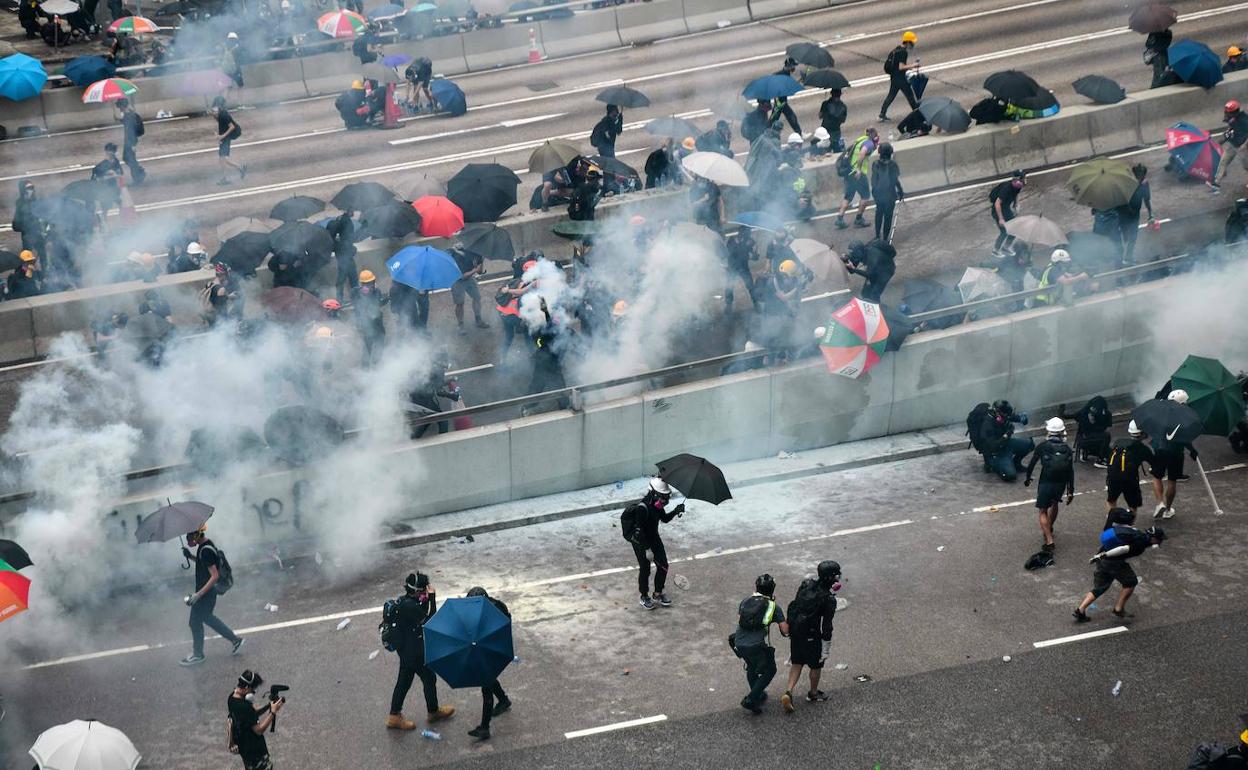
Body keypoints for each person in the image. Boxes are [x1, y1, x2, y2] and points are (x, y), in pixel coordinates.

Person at [387, 572, 456, 729]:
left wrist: (425, 600)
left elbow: (421, 612)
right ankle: (432, 712)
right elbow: (430, 619)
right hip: (413, 653)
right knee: (427, 678)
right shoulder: (410, 606)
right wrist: (432, 598)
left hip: (407, 649)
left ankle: (395, 715)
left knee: (406, 682)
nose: (425, 592)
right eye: (424, 590)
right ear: (417, 591)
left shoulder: (407, 601)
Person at [179, 525, 244, 666]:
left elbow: (214, 576)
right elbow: (204, 563)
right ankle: (235, 640)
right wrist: (190, 556)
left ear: (197, 534)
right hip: (206, 593)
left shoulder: (205, 550)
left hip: (205, 594)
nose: (187, 538)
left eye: (190, 535)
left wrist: (198, 595)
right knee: (205, 619)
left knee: (197, 621)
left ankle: (198, 654)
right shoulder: (205, 546)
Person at [780, 561, 839, 713]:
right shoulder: (828, 599)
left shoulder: (805, 585)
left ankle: (788, 692)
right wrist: (825, 647)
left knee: (797, 663)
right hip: (812, 636)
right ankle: (813, 693)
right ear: (832, 578)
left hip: (797, 632)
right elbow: (826, 625)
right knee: (816, 666)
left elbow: (796, 605)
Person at [1072, 525, 1166, 622]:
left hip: (1102, 558)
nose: (1160, 542)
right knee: (1131, 582)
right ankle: (1118, 609)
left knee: (1100, 587)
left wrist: (1100, 556)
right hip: (1112, 560)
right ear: (1153, 539)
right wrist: (1104, 555)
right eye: (1159, 540)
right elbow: (1123, 549)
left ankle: (1080, 610)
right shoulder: (1140, 544)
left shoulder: (1137, 533)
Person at [621, 477, 685, 610]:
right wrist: (647, 549)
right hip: (641, 541)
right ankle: (644, 596)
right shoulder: (642, 509)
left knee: (663, 566)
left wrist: (676, 511)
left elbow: (664, 519)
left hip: (654, 537)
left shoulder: (657, 506)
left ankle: (658, 593)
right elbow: (638, 534)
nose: (664, 501)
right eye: (662, 497)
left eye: (666, 497)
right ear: (653, 494)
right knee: (645, 568)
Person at [732, 573, 789, 714]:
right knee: (770, 670)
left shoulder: (745, 601)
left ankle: (758, 694)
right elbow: (785, 630)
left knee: (751, 667)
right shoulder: (773, 606)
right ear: (772, 589)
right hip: (756, 644)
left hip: (739, 642)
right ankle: (751, 699)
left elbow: (740, 619)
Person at [463, 587, 512, 740]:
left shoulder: (491, 613)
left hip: (490, 649)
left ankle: (484, 727)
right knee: (489, 679)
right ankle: (503, 700)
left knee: (486, 686)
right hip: (492, 647)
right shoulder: (494, 606)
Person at [1024, 418, 1075, 552]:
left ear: (1049, 431)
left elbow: (1031, 465)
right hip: (1061, 484)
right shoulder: (1067, 449)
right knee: (1055, 504)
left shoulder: (1042, 446)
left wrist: (1028, 478)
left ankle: (1049, 540)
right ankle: (1050, 528)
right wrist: (1071, 490)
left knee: (1042, 510)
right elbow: (1070, 471)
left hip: (1046, 482)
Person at [1151, 389, 1197, 520]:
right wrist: (1192, 450)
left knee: (1157, 476)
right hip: (1176, 452)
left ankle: (1159, 503)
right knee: (1172, 480)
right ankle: (1168, 509)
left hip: (1160, 449)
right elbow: (1185, 438)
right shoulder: (1186, 417)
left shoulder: (1160, 412)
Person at [228, 670, 282, 770]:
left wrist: (268, 706)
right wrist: (273, 712)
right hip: (256, 753)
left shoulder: (231, 698)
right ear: (247, 688)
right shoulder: (244, 707)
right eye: (253, 690)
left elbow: (250, 715)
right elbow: (259, 730)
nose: (253, 693)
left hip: (245, 750)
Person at [973, 399, 1032, 481]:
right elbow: (993, 446)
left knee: (1030, 444)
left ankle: (1016, 464)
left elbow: (1011, 417)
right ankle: (991, 465)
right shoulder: (987, 425)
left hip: (1006, 444)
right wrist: (1007, 434)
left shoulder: (1000, 415)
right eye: (1005, 416)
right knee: (1010, 475)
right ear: (998, 413)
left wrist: (1021, 418)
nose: (1007, 417)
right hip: (996, 452)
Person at [1106, 420, 1155, 517]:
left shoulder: (1118, 442)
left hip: (1113, 477)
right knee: (1133, 505)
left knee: (1111, 500)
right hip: (1130, 480)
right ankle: (1128, 525)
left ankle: (1111, 520)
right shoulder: (1142, 448)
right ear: (1141, 433)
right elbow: (1154, 462)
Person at [835, 127, 878, 230]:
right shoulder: (869, 143)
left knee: (848, 197)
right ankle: (859, 219)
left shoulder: (861, 139)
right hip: (858, 173)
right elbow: (862, 153)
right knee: (865, 196)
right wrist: (858, 169)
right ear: (873, 136)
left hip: (849, 172)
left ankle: (839, 218)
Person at [1116, 164, 1154, 264]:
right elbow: (1122, 198)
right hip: (1123, 213)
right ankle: (1119, 258)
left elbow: (1147, 199)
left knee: (1132, 236)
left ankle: (1128, 257)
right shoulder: (1129, 183)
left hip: (1134, 214)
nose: (1141, 176)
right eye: (1139, 174)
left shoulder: (1145, 184)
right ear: (1135, 174)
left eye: (1142, 174)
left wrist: (1151, 214)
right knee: (1124, 236)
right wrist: (1128, 208)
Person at [879, 31, 920, 121]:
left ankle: (882, 113)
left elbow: (897, 66)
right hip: (900, 79)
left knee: (891, 95)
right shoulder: (903, 53)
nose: (913, 44)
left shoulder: (896, 49)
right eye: (912, 42)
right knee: (910, 95)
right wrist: (913, 65)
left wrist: (909, 68)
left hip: (894, 77)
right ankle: (917, 113)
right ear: (908, 42)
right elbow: (901, 67)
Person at [449, 243, 489, 332]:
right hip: (457, 280)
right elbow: (462, 276)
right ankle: (460, 325)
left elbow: (479, 271)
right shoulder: (460, 255)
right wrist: (475, 270)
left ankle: (478, 320)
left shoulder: (478, 253)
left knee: (477, 298)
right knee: (460, 303)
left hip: (469, 278)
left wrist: (481, 262)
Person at [870, 142, 904, 242]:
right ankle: (885, 238)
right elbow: (895, 180)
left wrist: (875, 192)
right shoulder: (893, 165)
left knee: (879, 214)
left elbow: (873, 180)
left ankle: (877, 235)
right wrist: (900, 191)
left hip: (879, 194)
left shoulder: (875, 164)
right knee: (888, 216)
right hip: (890, 194)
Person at [844, 238, 896, 303]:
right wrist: (846, 261)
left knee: (874, 294)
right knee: (865, 293)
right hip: (874, 272)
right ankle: (868, 307)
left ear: (858, 251)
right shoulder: (860, 254)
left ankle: (878, 309)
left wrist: (854, 270)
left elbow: (869, 274)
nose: (853, 255)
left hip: (886, 271)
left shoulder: (872, 254)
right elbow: (851, 271)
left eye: (853, 253)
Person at [1212, 101, 1248, 192]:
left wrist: (1245, 145)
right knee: (1224, 161)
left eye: (1229, 112)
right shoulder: (1232, 118)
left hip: (1242, 147)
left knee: (1246, 166)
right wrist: (1224, 139)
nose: (1226, 114)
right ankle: (1216, 182)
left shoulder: (1244, 120)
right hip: (1233, 144)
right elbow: (1232, 129)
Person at [353, 270, 387, 366]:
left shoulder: (356, 291)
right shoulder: (361, 293)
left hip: (373, 320)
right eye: (371, 282)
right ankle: (370, 363)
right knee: (373, 340)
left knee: (374, 340)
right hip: (368, 322)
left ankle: (372, 362)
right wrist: (376, 292)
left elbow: (378, 303)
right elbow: (375, 303)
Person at [989, 169, 1025, 257]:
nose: (1025, 179)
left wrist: (1016, 204)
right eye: (1024, 178)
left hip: (1006, 209)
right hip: (998, 211)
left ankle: (1006, 247)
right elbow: (997, 204)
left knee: (1015, 229)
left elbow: (1016, 194)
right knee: (1004, 231)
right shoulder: (1007, 189)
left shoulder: (1018, 186)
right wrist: (1001, 219)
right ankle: (995, 250)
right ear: (1019, 179)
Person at [724, 226, 759, 313]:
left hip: (744, 267)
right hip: (732, 267)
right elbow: (730, 252)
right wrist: (741, 245)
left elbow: (755, 257)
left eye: (748, 232)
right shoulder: (732, 239)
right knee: (729, 287)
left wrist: (755, 251)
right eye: (745, 232)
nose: (747, 234)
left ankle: (756, 303)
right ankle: (728, 305)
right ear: (739, 232)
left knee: (751, 286)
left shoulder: (751, 241)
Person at [212, 97, 246, 186]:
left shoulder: (224, 115)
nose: (214, 109)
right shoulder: (219, 113)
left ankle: (238, 169)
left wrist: (221, 136)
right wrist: (214, 116)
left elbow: (232, 127)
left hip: (228, 135)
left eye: (215, 107)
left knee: (223, 158)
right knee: (222, 159)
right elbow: (220, 122)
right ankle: (228, 176)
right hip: (224, 135)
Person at [1074, 395, 1113, 466]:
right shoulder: (1085, 412)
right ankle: (1099, 460)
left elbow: (1106, 427)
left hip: (1097, 438)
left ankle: (1089, 452)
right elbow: (1073, 416)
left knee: (1110, 453)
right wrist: (1089, 420)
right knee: (1106, 436)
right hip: (1085, 439)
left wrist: (1097, 421)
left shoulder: (1106, 414)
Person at [114, 99, 146, 185]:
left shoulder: (129, 116)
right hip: (130, 141)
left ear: (122, 106)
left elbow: (130, 131)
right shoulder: (129, 115)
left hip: (130, 142)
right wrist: (118, 118)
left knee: (129, 159)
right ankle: (139, 173)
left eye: (119, 106)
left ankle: (138, 176)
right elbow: (124, 121)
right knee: (129, 159)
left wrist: (132, 145)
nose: (119, 108)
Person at [328, 210, 358, 302]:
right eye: (352, 210)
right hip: (346, 256)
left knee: (343, 278)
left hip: (340, 255)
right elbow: (350, 239)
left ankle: (340, 299)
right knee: (352, 278)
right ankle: (354, 298)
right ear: (349, 211)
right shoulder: (347, 222)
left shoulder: (339, 219)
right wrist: (353, 249)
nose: (354, 212)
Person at [12, 180, 43, 256]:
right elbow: (17, 220)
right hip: (27, 235)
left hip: (37, 232)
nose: (31, 190)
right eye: (29, 188)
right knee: (27, 255)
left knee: (43, 253)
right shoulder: (20, 203)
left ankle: (44, 267)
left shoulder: (36, 201)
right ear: (23, 190)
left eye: (32, 187)